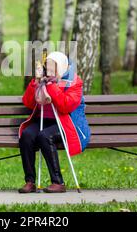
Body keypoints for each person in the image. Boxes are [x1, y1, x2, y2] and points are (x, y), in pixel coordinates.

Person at [18, 51, 90, 193]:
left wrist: (51, 85)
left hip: (67, 124)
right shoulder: (42, 81)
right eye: (48, 67)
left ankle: (58, 182)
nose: (50, 71)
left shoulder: (73, 83)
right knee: (26, 135)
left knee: (45, 136)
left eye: (53, 68)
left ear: (62, 67)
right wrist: (36, 83)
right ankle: (30, 181)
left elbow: (65, 105)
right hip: (44, 120)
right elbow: (28, 103)